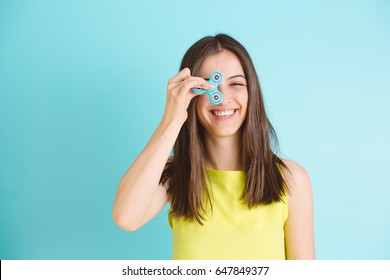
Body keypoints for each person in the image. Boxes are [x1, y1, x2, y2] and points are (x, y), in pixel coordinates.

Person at [112, 34, 315, 260]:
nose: (222, 98)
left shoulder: (290, 179)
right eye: (206, 87)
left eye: (236, 83)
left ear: (252, 92)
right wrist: (171, 120)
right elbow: (125, 218)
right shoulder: (175, 176)